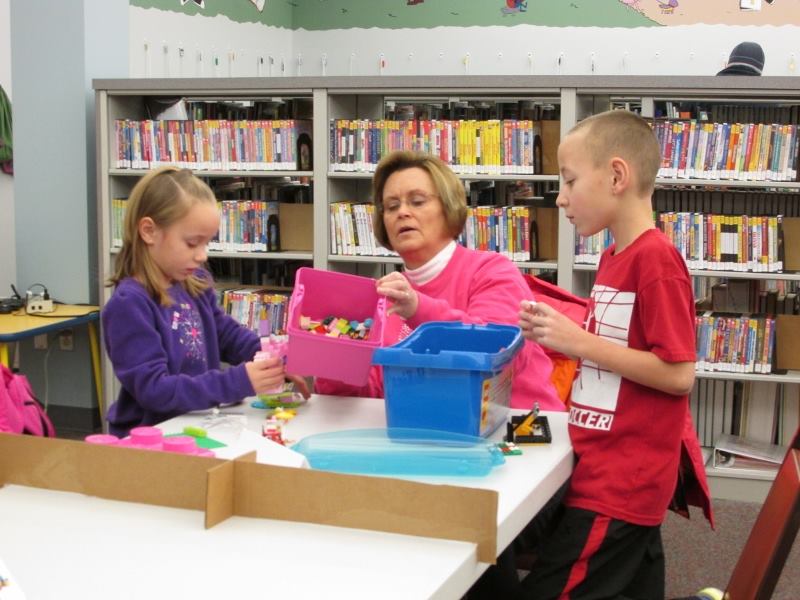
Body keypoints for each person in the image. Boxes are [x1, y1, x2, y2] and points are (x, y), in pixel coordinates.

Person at [517, 110, 711, 599]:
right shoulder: (612, 257)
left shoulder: (657, 259)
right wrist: (563, 335)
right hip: (600, 464)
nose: (560, 197)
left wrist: (578, 341)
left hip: (619, 483)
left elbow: (678, 374)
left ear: (617, 176)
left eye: (570, 180)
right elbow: (619, 350)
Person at [316, 150, 563, 412]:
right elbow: (375, 392)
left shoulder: (492, 271)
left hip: (520, 426)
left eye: (417, 201)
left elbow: (496, 352)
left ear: (448, 208)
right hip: (429, 427)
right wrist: (334, 363)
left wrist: (417, 309)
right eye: (391, 206)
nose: (402, 212)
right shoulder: (383, 298)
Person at [102, 166, 305, 437]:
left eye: (206, 243)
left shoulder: (194, 283)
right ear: (149, 231)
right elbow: (155, 391)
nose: (202, 255)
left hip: (194, 426)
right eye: (192, 243)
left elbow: (228, 336)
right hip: (151, 440)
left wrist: (275, 358)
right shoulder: (129, 305)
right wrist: (239, 381)